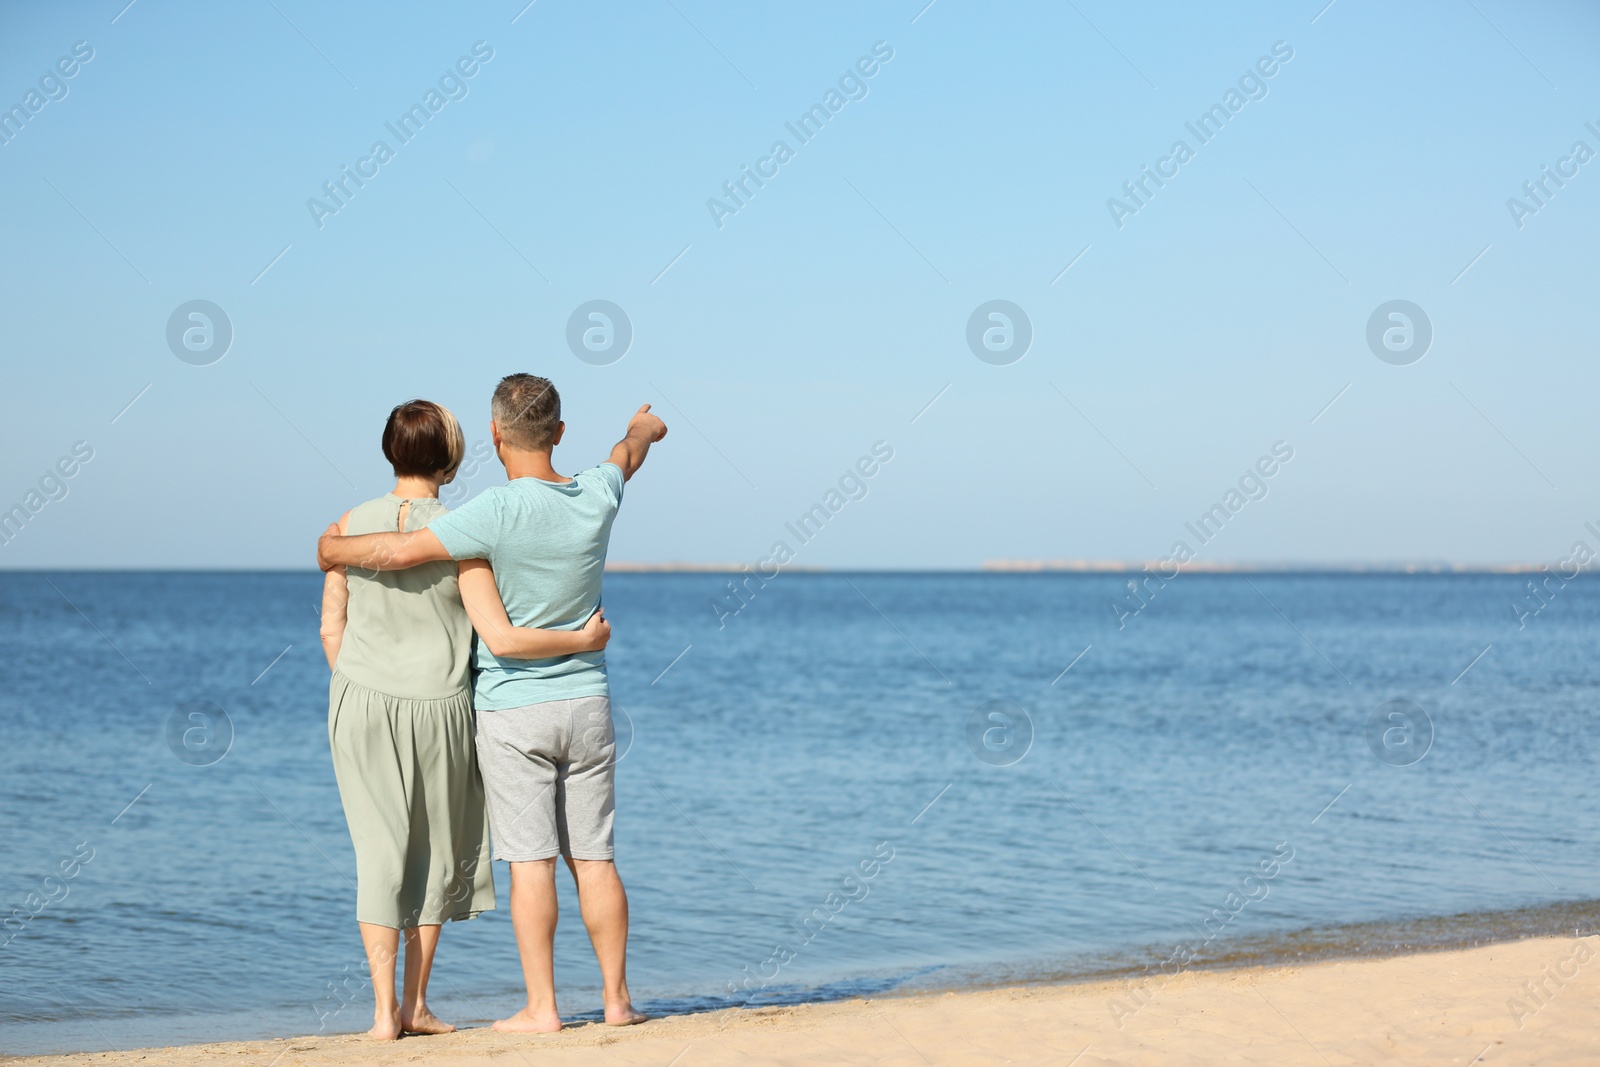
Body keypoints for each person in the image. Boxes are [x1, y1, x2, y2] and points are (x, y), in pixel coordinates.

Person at [318, 375, 666, 1032]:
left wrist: (331, 549)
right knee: (594, 856)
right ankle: (618, 1000)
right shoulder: (597, 491)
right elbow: (626, 453)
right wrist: (644, 429)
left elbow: (397, 552)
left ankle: (542, 1007)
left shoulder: (490, 513)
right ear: (559, 432)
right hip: (588, 701)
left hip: (513, 710)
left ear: (496, 434)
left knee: (530, 863)